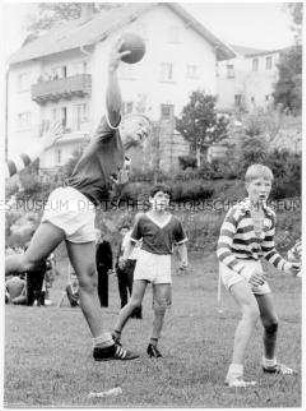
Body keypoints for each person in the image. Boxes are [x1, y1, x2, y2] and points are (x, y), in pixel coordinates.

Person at [5, 38, 150, 362]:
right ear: (126, 125)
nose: (144, 131)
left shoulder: (123, 160)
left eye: (148, 132)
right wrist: (112, 71)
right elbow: (115, 108)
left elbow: (102, 193)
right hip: (70, 200)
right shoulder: (109, 132)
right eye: (141, 124)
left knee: (89, 279)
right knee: (30, 262)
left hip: (85, 211)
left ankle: (103, 345)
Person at [217, 164, 301, 388]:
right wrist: (245, 271)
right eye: (257, 184)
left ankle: (269, 364)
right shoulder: (236, 212)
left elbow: (268, 251)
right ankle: (234, 375)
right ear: (247, 186)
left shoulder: (270, 215)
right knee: (251, 311)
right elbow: (222, 250)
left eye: (267, 184)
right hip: (233, 265)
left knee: (272, 322)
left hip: (254, 267)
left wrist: (287, 267)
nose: (263, 189)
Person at [112, 184, 188, 358]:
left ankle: (152, 345)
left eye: (166, 197)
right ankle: (115, 335)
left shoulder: (175, 221)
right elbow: (132, 241)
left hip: (163, 262)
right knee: (135, 301)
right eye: (160, 196)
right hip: (145, 259)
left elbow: (182, 243)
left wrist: (184, 260)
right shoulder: (143, 219)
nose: (163, 200)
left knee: (160, 306)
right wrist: (125, 257)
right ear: (151, 199)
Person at [116, 224, 142, 319]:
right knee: (122, 288)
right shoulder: (129, 235)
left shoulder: (146, 234)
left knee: (134, 289)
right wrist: (120, 262)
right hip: (127, 261)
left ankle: (137, 313)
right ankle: (124, 310)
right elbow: (123, 250)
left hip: (138, 262)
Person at [95, 230, 113, 307]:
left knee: (103, 286)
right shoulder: (94, 244)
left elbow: (110, 256)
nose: (96, 236)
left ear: (101, 235)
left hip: (103, 267)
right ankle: (97, 302)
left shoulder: (106, 244)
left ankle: (104, 304)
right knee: (97, 286)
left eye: (97, 235)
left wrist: (110, 268)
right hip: (94, 268)